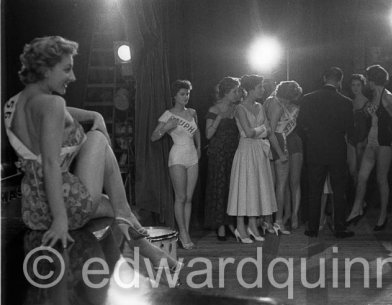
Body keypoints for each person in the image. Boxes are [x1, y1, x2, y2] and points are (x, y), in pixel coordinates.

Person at [4, 36, 178, 270]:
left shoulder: (16, 105)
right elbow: (50, 166)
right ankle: (145, 248)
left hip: (34, 209)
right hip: (65, 205)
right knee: (98, 139)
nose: (73, 77)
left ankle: (143, 248)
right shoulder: (51, 107)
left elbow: (62, 112)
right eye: (66, 69)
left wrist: (93, 115)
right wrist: (60, 221)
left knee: (110, 204)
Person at [346, 65, 392, 230]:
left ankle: (383, 215)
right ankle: (356, 209)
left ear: (372, 80)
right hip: (371, 141)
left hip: (384, 142)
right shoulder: (373, 95)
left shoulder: (387, 97)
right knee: (361, 176)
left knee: (381, 179)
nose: (366, 82)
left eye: (368, 79)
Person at [297, 67, 354, 239]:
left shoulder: (308, 99)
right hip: (337, 149)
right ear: (339, 81)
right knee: (339, 191)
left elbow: (301, 124)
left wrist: (312, 137)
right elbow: (349, 128)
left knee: (314, 190)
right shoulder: (345, 102)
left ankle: (312, 228)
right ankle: (340, 228)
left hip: (315, 148)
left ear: (324, 78)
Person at [227, 74, 277, 243]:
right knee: (244, 187)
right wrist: (262, 129)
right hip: (246, 150)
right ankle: (240, 227)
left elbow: (268, 130)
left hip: (258, 149)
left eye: (262, 86)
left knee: (257, 187)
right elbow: (249, 133)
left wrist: (259, 130)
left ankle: (253, 225)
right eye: (260, 87)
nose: (262, 90)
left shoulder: (260, 106)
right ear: (250, 89)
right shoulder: (240, 108)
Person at [151, 80, 200, 250]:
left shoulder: (193, 112)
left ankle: (185, 232)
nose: (186, 97)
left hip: (192, 156)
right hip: (177, 156)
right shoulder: (168, 115)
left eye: (187, 94)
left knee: (188, 198)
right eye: (182, 94)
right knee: (180, 197)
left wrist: (199, 149)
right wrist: (166, 128)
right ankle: (183, 234)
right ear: (174, 95)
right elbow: (154, 137)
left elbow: (197, 132)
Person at [204, 77, 241, 241]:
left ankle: (231, 223)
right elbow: (208, 134)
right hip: (218, 153)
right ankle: (220, 225)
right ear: (226, 92)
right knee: (219, 187)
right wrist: (220, 117)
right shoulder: (214, 108)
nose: (237, 94)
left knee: (232, 187)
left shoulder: (237, 108)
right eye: (234, 91)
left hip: (234, 152)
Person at [264, 81, 303, 234]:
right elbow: (272, 132)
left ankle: (268, 221)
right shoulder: (278, 105)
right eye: (291, 98)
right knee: (281, 185)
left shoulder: (268, 100)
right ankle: (278, 222)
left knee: (271, 184)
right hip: (278, 142)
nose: (291, 102)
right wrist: (281, 153)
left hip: (269, 144)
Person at [347, 74, 370, 181]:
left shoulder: (367, 103)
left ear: (362, 86)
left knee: (361, 173)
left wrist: (365, 140)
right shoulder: (349, 102)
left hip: (363, 140)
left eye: (358, 85)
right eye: (353, 85)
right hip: (351, 139)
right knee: (352, 171)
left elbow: (371, 124)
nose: (355, 87)